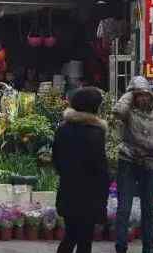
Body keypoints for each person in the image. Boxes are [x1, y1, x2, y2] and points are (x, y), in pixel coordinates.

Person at [113, 76, 153, 253]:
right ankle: (121, 246)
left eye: (145, 94)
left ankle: (149, 247)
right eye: (138, 95)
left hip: (151, 163)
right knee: (124, 208)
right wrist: (129, 95)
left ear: (150, 94)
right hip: (129, 162)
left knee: (149, 209)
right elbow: (117, 111)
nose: (142, 98)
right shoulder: (127, 110)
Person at [52, 87, 109, 253]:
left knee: (70, 235)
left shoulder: (63, 129)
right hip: (89, 195)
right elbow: (100, 169)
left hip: (68, 190)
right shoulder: (96, 133)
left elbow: (56, 160)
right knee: (84, 241)